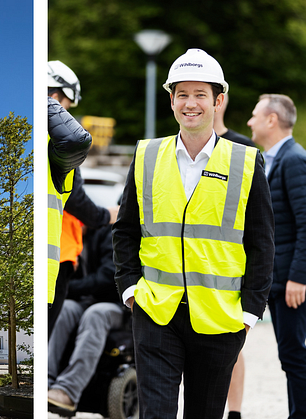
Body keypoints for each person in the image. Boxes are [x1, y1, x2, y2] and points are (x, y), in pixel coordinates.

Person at [112, 48, 274, 418]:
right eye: (182, 94)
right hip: (155, 312)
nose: (191, 104)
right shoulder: (147, 156)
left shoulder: (246, 161)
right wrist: (130, 288)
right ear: (171, 100)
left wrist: (251, 312)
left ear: (218, 101)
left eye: (200, 94)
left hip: (220, 319)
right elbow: (124, 231)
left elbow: (262, 243)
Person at [247, 93, 306, 419]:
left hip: (294, 279)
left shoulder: (294, 160)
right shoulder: (276, 158)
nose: (250, 121)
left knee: (294, 355)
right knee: (289, 354)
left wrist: (298, 278)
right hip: (282, 276)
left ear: (272, 120)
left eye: (255, 115)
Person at [48, 222, 125, 415]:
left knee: (95, 314)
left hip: (114, 303)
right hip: (85, 299)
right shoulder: (73, 239)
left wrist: (68, 288)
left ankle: (67, 390)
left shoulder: (107, 234)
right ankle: (46, 380)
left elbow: (108, 278)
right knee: (63, 309)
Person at [216, 91, 253, 419]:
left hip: (231, 269)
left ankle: (235, 413)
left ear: (220, 100)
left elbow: (259, 218)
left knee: (233, 347)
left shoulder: (244, 150)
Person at [47, 60, 92, 330]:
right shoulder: (57, 142)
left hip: (57, 256)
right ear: (54, 96)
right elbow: (77, 200)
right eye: (65, 105)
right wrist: (103, 216)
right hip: (55, 257)